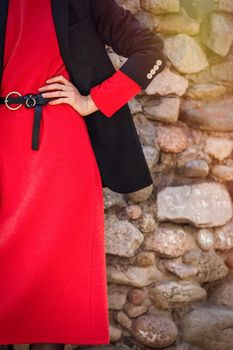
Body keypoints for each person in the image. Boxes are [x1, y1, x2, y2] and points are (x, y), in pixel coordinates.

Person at [0, 1, 166, 349]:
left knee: (53, 303)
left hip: (62, 159)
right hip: (4, 149)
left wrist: (94, 101)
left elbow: (151, 51)